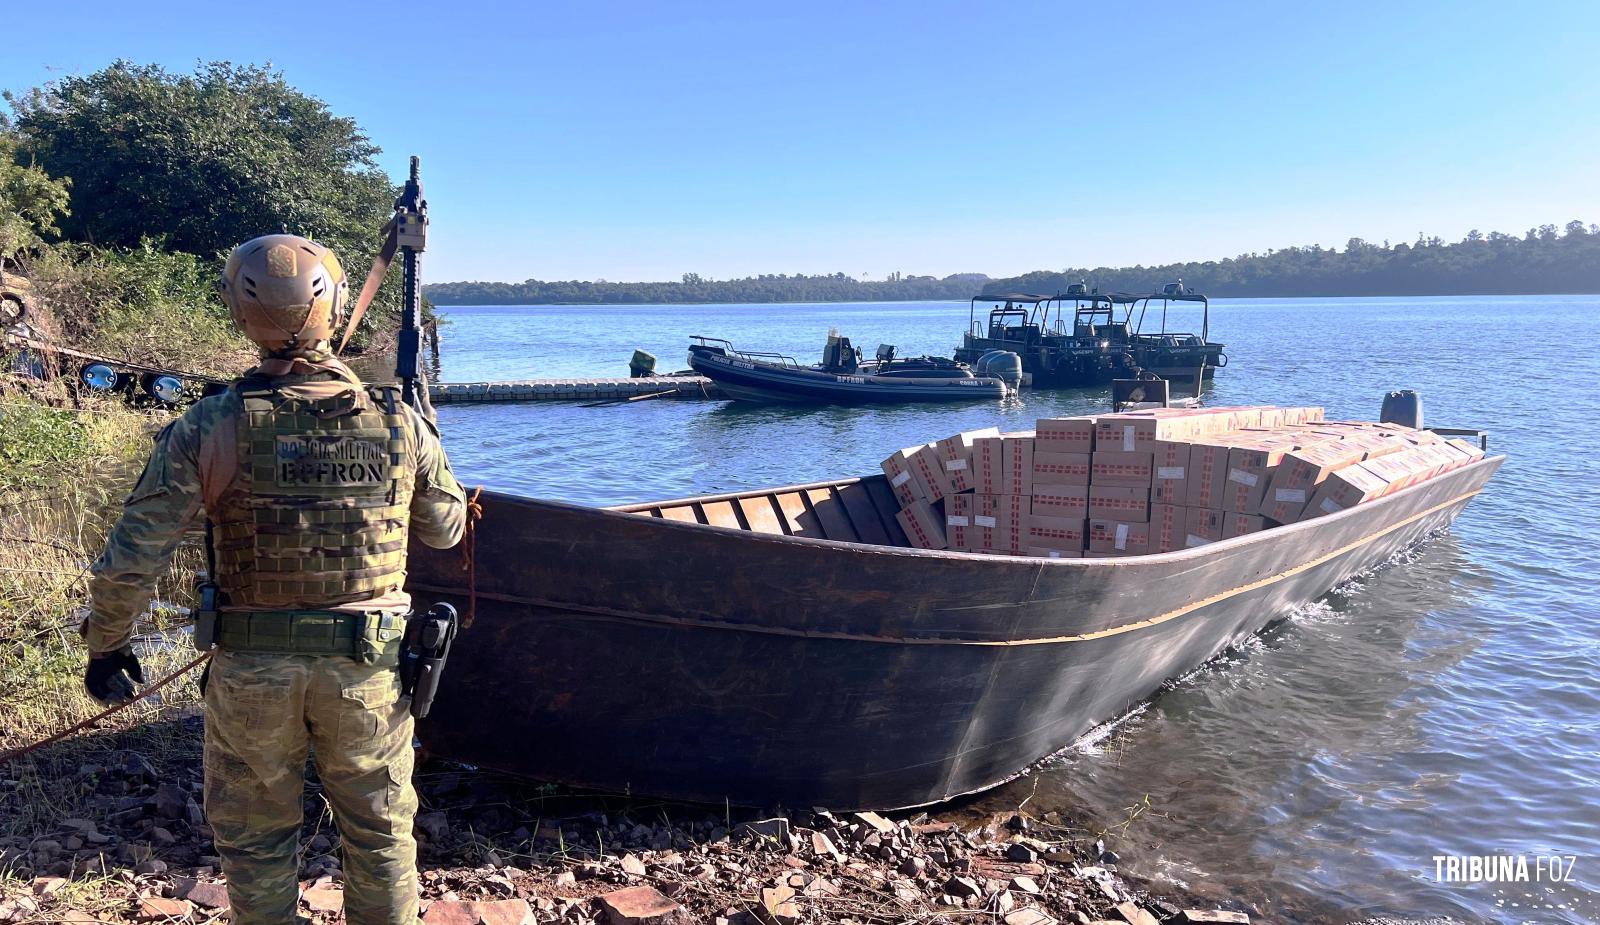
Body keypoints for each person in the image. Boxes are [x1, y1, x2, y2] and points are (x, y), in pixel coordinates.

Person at [83, 233, 468, 925]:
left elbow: (134, 553)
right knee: (380, 840)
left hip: (252, 671)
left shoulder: (211, 424)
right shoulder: (397, 421)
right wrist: (425, 427)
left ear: (239, 312)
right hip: (368, 669)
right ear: (335, 305)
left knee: (258, 846)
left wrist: (105, 644)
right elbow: (447, 530)